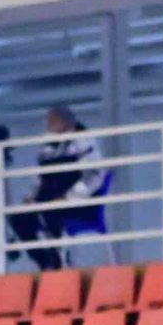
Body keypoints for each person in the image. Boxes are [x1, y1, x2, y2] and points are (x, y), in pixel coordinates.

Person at [21, 107, 101, 270]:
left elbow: (93, 176)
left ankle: (58, 254)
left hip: (77, 200)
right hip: (48, 197)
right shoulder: (48, 144)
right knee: (19, 218)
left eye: (52, 121)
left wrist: (69, 197)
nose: (48, 125)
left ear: (65, 122)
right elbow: (41, 175)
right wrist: (31, 195)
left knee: (50, 210)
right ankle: (47, 260)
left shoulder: (83, 140)